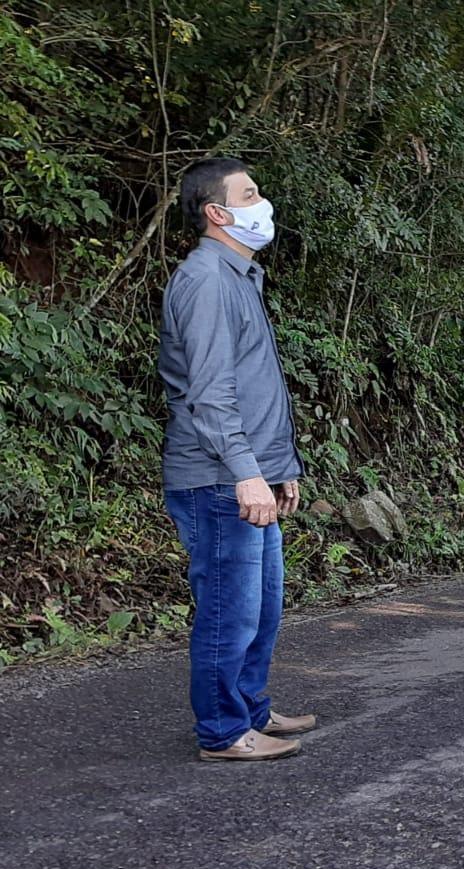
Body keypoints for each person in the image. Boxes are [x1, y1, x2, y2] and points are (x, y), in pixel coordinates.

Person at [159, 157, 316, 759]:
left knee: (263, 606)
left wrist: (279, 469)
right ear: (217, 213)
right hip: (218, 478)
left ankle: (250, 708)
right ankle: (224, 731)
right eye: (249, 195)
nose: (262, 203)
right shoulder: (206, 281)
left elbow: (253, 386)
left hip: (248, 473)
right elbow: (210, 394)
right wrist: (248, 474)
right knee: (230, 610)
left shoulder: (238, 276)